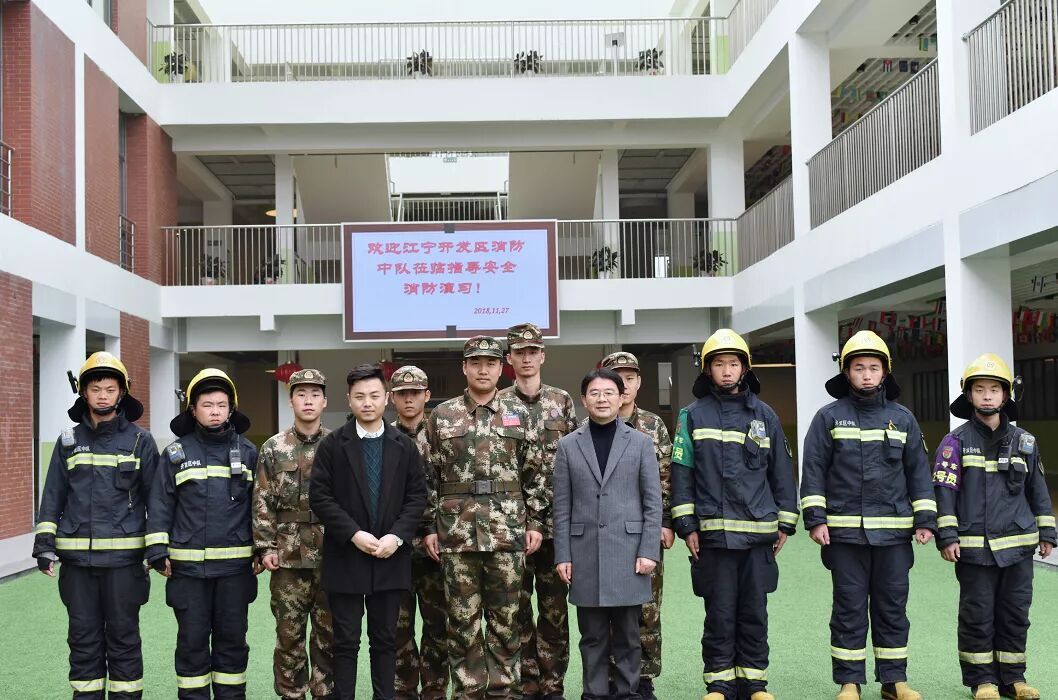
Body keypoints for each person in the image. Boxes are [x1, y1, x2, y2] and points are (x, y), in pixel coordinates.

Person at [800, 331, 937, 700]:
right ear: (847, 373)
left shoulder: (903, 419)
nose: (866, 374)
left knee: (892, 608)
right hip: (844, 536)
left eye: (873, 368)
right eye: (858, 367)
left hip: (893, 536)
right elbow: (813, 470)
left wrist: (925, 520)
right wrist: (816, 518)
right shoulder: (828, 418)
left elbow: (918, 472)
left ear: (884, 372)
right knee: (848, 609)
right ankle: (850, 682)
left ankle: (894, 682)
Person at [669, 329, 797, 700]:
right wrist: (686, 525)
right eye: (719, 364)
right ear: (707, 370)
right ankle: (720, 683)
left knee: (754, 611)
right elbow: (682, 472)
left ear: (745, 369)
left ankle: (755, 683)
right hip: (712, 537)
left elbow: (781, 473)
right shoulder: (692, 416)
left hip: (758, 536)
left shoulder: (765, 416)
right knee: (720, 613)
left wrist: (786, 522)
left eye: (733, 363)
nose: (727, 371)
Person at [421, 336, 546, 700]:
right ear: (464, 367)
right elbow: (427, 477)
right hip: (456, 536)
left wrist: (536, 523)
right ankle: (468, 691)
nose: (482, 369)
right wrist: (429, 527)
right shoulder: (441, 416)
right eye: (475, 362)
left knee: (508, 622)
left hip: (507, 534)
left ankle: (505, 692)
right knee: (461, 622)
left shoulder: (520, 414)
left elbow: (536, 475)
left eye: (490, 363)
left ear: (500, 367)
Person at [32, 352, 158, 699]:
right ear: (83, 394)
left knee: (124, 639)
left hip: (124, 566)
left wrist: (157, 549)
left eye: (110, 388)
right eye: (95, 389)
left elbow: (157, 500)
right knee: (83, 640)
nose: (103, 395)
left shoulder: (140, 442)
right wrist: (44, 545)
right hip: (79, 567)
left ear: (122, 393)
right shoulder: (68, 442)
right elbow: (53, 496)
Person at [933, 354, 1055, 700]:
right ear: (968, 396)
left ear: (1006, 396)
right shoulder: (953, 443)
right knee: (977, 615)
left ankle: (1014, 679)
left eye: (995, 390)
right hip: (975, 550)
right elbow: (944, 494)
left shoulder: (1025, 442)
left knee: (1016, 614)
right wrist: (948, 536)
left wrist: (1047, 533)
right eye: (980, 390)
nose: (987, 396)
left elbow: (1038, 491)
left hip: (1018, 548)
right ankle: (982, 681)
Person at [309, 364, 428, 700]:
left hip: (390, 555)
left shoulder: (404, 445)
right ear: (349, 400)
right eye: (359, 396)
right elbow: (320, 496)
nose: (367, 402)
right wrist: (353, 534)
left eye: (374, 395)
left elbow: (416, 496)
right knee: (345, 641)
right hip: (347, 555)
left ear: (386, 398)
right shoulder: (333, 445)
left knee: (385, 639)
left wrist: (397, 536)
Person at [146, 368, 260, 699]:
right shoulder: (175, 454)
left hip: (235, 572)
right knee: (192, 643)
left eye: (221, 405)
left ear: (231, 409)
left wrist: (260, 548)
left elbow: (260, 506)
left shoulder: (250, 453)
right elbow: (160, 504)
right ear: (193, 410)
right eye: (206, 404)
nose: (214, 411)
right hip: (187, 573)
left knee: (232, 643)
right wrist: (157, 551)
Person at [553, 368, 662, 700]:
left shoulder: (641, 442)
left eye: (609, 392)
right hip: (584, 553)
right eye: (595, 393)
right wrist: (563, 555)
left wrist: (648, 550)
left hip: (629, 552)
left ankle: (628, 693)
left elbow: (652, 502)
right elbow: (562, 505)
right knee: (593, 636)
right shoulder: (568, 445)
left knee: (630, 635)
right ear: (584, 400)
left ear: (622, 396)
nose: (602, 399)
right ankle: (594, 694)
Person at [499, 323, 578, 700]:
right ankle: (526, 683)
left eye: (533, 351)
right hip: (510, 526)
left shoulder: (561, 401)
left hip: (556, 525)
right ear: (509, 359)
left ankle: (552, 685)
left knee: (554, 612)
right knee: (515, 610)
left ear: (543, 355)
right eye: (519, 352)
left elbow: (578, 457)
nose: (527, 358)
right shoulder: (498, 403)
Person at [254, 368, 335, 699]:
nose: (308, 400)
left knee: (329, 636)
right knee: (289, 636)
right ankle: (292, 694)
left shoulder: (338, 445)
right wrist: (264, 546)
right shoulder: (274, 448)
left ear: (325, 401)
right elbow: (262, 500)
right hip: (288, 558)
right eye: (301, 394)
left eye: (315, 394)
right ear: (291, 401)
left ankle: (326, 693)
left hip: (332, 557)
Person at [599, 351, 673, 700]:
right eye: (617, 376)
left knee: (647, 606)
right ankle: (613, 676)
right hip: (607, 531)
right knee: (609, 607)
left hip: (646, 530)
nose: (624, 383)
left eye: (630, 376)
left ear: (639, 382)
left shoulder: (654, 425)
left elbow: (667, 478)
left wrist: (666, 521)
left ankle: (643, 676)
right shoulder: (593, 426)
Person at [389, 365, 449, 700]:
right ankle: (403, 689)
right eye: (402, 394)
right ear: (392, 398)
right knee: (398, 627)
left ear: (427, 395)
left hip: (436, 548)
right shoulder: (383, 438)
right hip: (396, 549)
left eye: (415, 393)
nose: (409, 399)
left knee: (438, 625)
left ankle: (436, 689)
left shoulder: (443, 435)